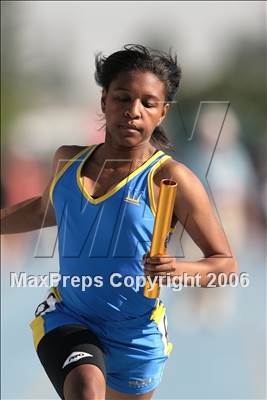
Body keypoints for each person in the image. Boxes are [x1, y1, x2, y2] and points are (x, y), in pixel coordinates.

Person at [1, 44, 238, 400]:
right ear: (104, 101)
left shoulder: (170, 179)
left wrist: (178, 269)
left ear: (163, 113)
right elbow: (42, 211)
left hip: (136, 334)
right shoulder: (67, 161)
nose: (133, 111)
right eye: (122, 98)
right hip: (70, 316)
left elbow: (226, 264)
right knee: (85, 389)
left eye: (148, 103)